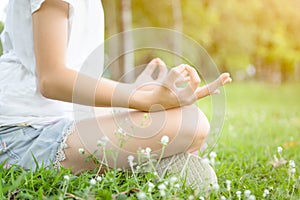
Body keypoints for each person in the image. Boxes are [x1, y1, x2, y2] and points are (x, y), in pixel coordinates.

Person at [0, 0, 231, 183]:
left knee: (184, 119)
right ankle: (149, 169)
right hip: (24, 131)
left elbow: (75, 89)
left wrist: (132, 98)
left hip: (65, 119)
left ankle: (146, 168)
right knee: (192, 124)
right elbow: (52, 79)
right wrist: (141, 98)